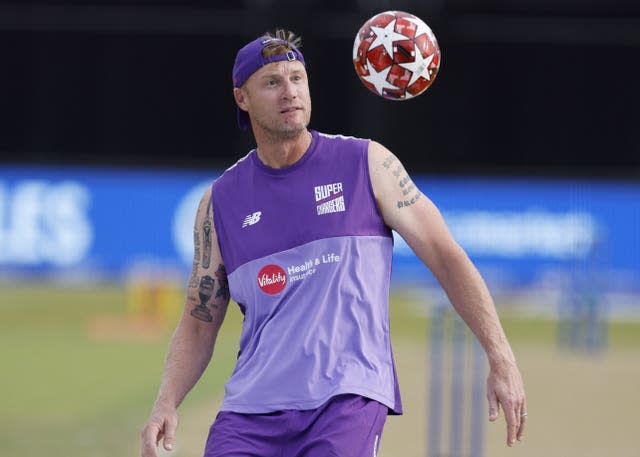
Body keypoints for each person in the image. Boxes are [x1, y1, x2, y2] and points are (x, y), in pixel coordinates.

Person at [141, 29, 526, 457]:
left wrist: (501, 357)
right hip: (249, 410)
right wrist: (166, 401)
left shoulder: (366, 163)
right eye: (272, 82)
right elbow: (198, 321)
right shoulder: (220, 201)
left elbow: (446, 258)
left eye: (297, 78)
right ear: (242, 99)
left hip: (346, 399)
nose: (289, 92)